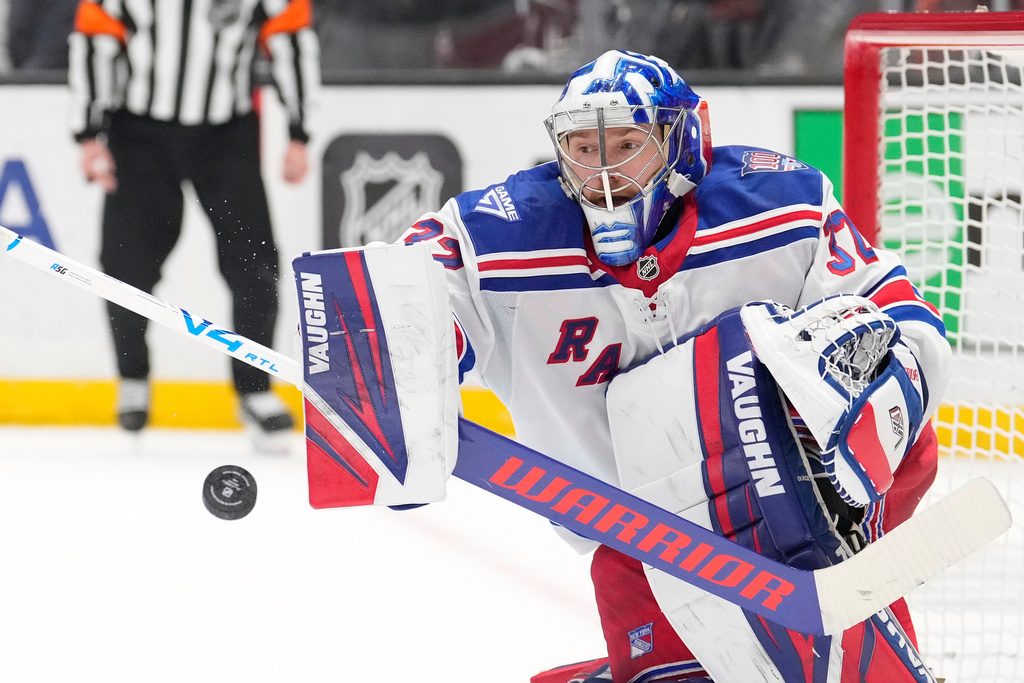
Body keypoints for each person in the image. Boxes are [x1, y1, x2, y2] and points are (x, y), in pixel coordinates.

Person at [398, 51, 951, 682]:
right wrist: (403, 368)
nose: (603, 170)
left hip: (808, 510)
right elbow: (404, 287)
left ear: (682, 141)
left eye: (627, 144)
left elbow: (909, 326)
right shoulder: (498, 234)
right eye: (583, 146)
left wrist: (868, 401)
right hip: (639, 541)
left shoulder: (779, 205)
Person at [67, 0, 320, 435]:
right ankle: (132, 379)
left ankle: (255, 387)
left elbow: (292, 38)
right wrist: (89, 135)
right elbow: (95, 41)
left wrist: (299, 133)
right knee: (126, 263)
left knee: (254, 263)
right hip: (139, 132)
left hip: (226, 133)